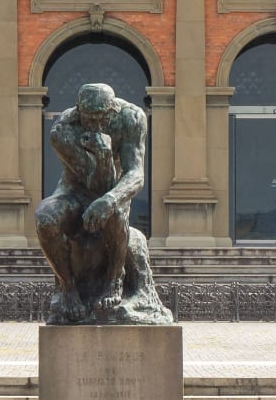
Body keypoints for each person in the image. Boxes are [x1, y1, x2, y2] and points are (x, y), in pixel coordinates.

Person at [36, 83, 173, 325]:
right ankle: (68, 289)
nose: (96, 125)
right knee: (45, 218)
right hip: (74, 193)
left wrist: (110, 199)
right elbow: (92, 181)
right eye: (90, 119)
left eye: (102, 118)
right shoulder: (62, 129)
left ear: (113, 110)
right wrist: (102, 155)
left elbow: (135, 173)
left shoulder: (131, 118)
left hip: (113, 192)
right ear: (79, 112)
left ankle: (114, 280)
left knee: (116, 212)